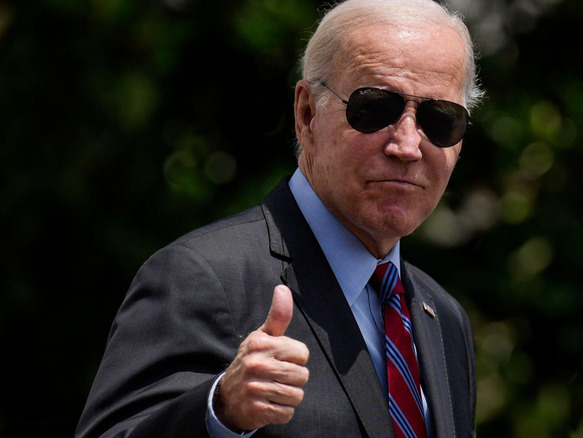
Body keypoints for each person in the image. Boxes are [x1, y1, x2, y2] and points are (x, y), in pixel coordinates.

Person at [76, 0, 483, 436]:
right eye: (375, 109)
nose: (406, 145)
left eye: (440, 120)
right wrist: (219, 411)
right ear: (307, 114)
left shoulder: (443, 316)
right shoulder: (204, 277)